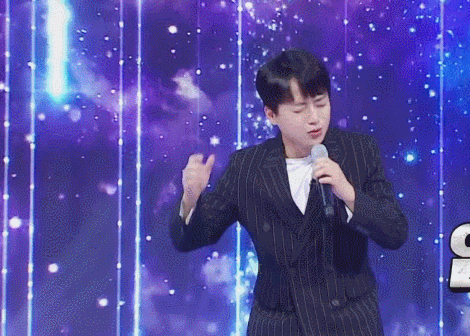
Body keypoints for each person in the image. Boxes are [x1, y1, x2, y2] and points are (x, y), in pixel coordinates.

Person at [170, 48, 408, 336]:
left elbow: (395, 232)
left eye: (321, 104)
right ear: (271, 114)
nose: (314, 118)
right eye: (299, 110)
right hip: (279, 323)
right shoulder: (246, 167)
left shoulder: (359, 151)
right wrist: (191, 197)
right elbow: (190, 238)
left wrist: (348, 193)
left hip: (350, 322)